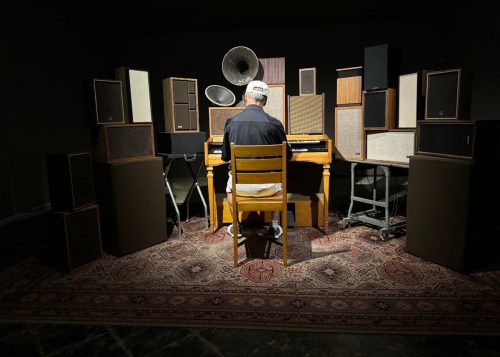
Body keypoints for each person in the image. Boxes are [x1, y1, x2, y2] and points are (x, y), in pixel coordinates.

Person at [221, 80, 293, 239]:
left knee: (229, 188)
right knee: (280, 179)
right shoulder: (274, 124)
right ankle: (274, 226)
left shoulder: (231, 123)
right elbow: (287, 156)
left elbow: (225, 156)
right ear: (265, 101)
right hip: (269, 187)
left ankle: (237, 226)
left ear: (246, 97)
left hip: (240, 188)